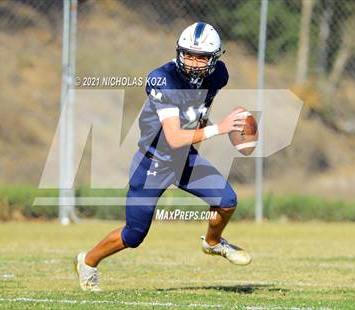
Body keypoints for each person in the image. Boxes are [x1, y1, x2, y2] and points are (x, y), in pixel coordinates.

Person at [74, 22, 251, 292]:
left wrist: (205, 121)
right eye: (188, 54)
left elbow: (200, 105)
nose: (193, 62)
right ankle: (87, 261)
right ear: (178, 52)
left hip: (184, 160)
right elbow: (174, 137)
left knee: (227, 201)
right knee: (134, 235)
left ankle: (213, 243)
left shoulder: (218, 75)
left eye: (201, 57)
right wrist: (220, 128)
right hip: (152, 162)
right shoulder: (162, 79)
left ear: (214, 59)